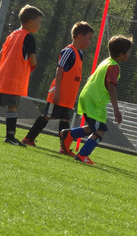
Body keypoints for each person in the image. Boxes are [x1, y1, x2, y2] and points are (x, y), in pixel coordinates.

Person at [59, 34, 132, 165]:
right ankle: (83, 155)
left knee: (93, 127)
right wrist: (116, 110)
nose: (129, 54)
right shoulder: (114, 67)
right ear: (121, 54)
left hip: (88, 97)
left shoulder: (106, 62)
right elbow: (111, 87)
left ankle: (69, 135)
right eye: (128, 52)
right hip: (95, 101)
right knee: (100, 129)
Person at [21, 21, 94, 149]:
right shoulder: (68, 51)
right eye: (89, 38)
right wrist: (57, 92)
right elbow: (59, 70)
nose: (90, 42)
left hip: (68, 97)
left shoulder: (80, 55)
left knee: (65, 120)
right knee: (47, 116)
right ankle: (29, 138)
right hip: (59, 94)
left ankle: (64, 147)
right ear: (80, 36)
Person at [0, 4, 44, 145]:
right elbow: (32, 59)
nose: (40, 26)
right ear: (30, 22)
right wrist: (33, 64)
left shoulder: (12, 34)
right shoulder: (28, 37)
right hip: (15, 77)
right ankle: (10, 136)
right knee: (13, 106)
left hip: (2, 75)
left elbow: (2, 52)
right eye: (39, 22)